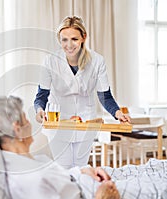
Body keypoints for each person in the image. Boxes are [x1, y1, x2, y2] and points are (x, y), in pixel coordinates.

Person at [34, 16, 131, 168]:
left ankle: (82, 192)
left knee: (81, 168)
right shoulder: (50, 61)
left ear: (83, 37)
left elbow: (104, 96)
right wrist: (39, 110)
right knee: (64, 168)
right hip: (58, 123)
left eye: (74, 39)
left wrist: (118, 113)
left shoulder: (97, 61)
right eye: (64, 40)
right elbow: (41, 95)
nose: (69, 45)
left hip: (86, 121)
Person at [0, 96, 120, 199]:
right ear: (17, 128)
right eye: (25, 118)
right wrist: (103, 197)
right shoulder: (30, 178)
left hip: (87, 180)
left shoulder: (24, 161)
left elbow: (59, 179)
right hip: (97, 192)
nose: (30, 123)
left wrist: (82, 171)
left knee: (138, 170)